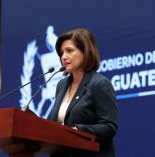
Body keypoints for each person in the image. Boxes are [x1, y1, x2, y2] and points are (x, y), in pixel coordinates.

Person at [50, 28, 118, 157]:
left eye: (69, 50)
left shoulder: (100, 83)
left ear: (85, 51)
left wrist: (78, 130)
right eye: (61, 52)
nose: (63, 57)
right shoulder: (61, 85)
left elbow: (109, 127)